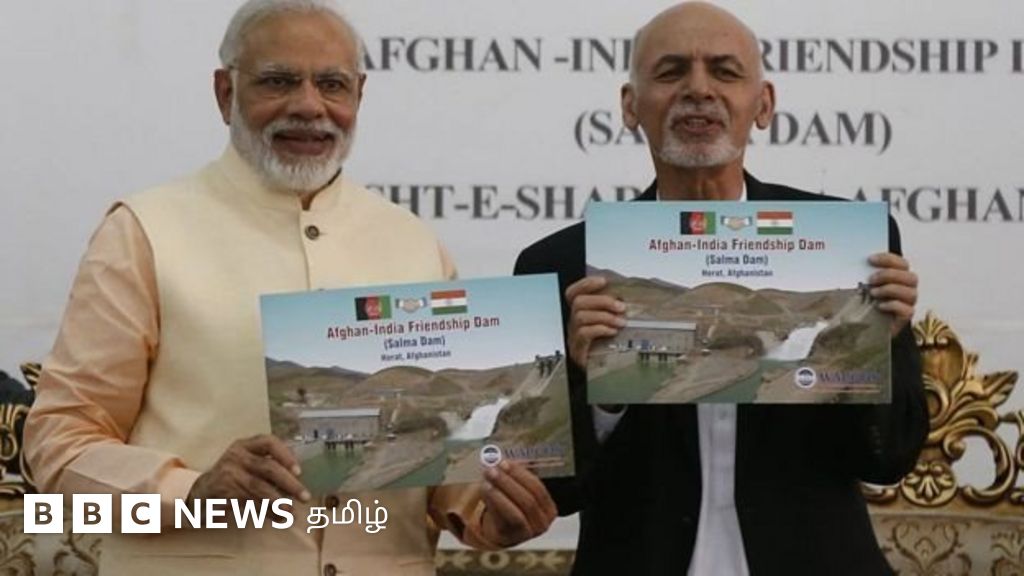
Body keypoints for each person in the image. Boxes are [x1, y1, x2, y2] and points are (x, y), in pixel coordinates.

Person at [24, 1, 555, 574]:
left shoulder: (412, 242)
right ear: (225, 93)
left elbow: (441, 462)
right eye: (278, 81)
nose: (308, 106)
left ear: (359, 96)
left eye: (332, 84)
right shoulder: (145, 232)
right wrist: (192, 491)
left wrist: (490, 510)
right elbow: (57, 445)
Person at [514, 3, 926, 575]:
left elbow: (889, 458)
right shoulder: (560, 267)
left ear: (764, 104)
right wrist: (593, 386)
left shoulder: (844, 248)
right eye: (671, 72)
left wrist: (878, 343)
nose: (699, 90)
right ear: (630, 106)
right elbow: (549, 495)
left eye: (725, 72)